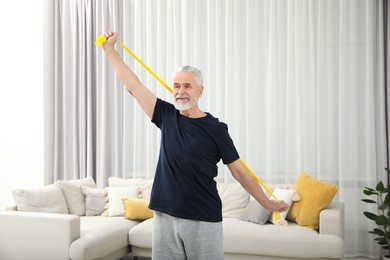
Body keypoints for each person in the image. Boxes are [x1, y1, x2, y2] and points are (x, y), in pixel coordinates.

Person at [101, 31, 289, 260]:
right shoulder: (166, 115)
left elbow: (239, 172)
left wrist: (266, 202)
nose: (180, 91)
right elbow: (133, 86)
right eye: (176, 86)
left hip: (203, 217)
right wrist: (109, 50)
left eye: (187, 86)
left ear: (199, 91)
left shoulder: (216, 129)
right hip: (164, 216)